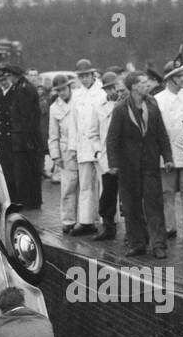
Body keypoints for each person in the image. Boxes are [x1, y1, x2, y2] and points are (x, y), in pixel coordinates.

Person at [106, 71, 173, 258]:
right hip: (128, 166)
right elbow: (112, 139)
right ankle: (137, 244)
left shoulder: (152, 105)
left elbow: (161, 133)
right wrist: (113, 163)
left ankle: (159, 245)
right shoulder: (120, 109)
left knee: (154, 204)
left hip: (150, 163)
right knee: (131, 206)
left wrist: (167, 157)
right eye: (143, 83)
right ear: (134, 86)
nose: (147, 85)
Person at [154, 61, 183, 240]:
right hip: (165, 155)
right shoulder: (157, 100)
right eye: (179, 76)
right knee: (166, 194)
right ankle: (169, 227)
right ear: (169, 79)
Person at [0, 64, 43, 208]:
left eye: (8, 76)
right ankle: (27, 201)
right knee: (21, 172)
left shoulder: (23, 90)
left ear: (14, 76)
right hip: (21, 138)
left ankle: (29, 202)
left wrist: (27, 140)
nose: (7, 79)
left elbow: (27, 117)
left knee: (27, 172)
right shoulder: (21, 87)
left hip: (24, 139)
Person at [68, 58, 104, 233]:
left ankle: (106, 220)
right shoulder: (76, 95)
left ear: (93, 74)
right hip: (83, 145)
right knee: (85, 185)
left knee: (104, 184)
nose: (84, 79)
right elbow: (73, 123)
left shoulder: (102, 92)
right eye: (80, 76)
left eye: (86, 75)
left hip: (100, 145)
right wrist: (73, 147)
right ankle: (86, 221)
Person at [93, 71, 123, 241]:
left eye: (113, 87)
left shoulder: (126, 104)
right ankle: (108, 226)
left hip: (124, 155)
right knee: (108, 195)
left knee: (128, 195)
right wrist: (98, 151)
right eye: (107, 88)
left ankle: (132, 231)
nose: (111, 91)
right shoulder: (99, 107)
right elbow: (93, 132)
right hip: (107, 156)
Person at [47, 75, 78, 232]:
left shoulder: (79, 100)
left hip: (82, 148)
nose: (61, 93)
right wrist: (55, 155)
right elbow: (53, 135)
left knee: (87, 186)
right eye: (58, 90)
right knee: (68, 187)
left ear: (69, 87)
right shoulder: (54, 108)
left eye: (63, 89)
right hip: (65, 151)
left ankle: (85, 220)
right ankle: (68, 220)